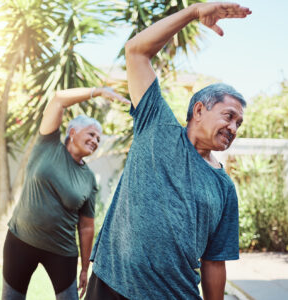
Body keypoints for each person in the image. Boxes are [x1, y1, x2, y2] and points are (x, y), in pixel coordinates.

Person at [86, 2, 252, 300]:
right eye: (229, 116)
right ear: (199, 110)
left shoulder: (224, 188)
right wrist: (193, 12)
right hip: (111, 285)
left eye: (239, 123)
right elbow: (136, 51)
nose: (234, 128)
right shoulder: (156, 125)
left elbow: (214, 261)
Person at [2, 86, 130, 300]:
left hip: (61, 252)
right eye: (91, 134)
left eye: (98, 139)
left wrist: (84, 268)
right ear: (72, 132)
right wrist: (98, 92)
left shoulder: (88, 178)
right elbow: (59, 99)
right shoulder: (48, 145)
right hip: (20, 241)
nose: (95, 141)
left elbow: (87, 226)